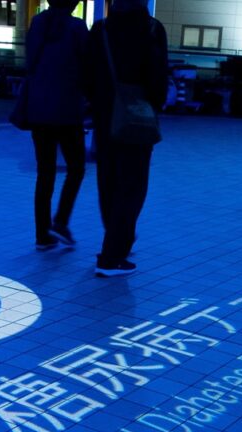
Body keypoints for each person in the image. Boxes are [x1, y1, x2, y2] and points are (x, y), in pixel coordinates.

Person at [82, 0, 168, 278]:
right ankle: (111, 256)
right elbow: (158, 78)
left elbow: (88, 76)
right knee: (133, 186)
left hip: (105, 116)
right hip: (136, 116)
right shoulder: (152, 29)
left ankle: (117, 240)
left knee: (108, 181)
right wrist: (153, 106)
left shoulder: (101, 28)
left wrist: (99, 103)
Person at [24, 0, 88, 251]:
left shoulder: (38, 23)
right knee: (76, 168)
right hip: (67, 110)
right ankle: (60, 220)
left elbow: (30, 63)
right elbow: (86, 68)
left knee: (45, 173)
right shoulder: (77, 27)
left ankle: (42, 235)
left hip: (39, 109)